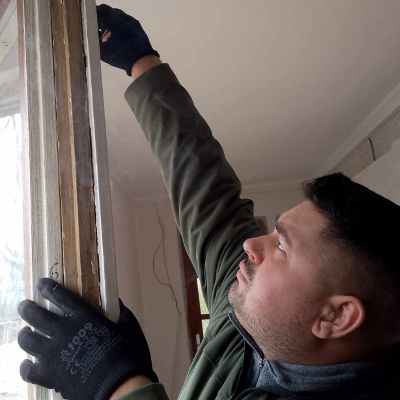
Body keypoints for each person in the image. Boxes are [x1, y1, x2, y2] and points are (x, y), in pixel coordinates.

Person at [17, 5, 400, 400]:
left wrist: (117, 383)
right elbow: (209, 194)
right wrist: (141, 63)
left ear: (336, 316)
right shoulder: (248, 324)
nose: (252, 245)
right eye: (273, 234)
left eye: (282, 247)